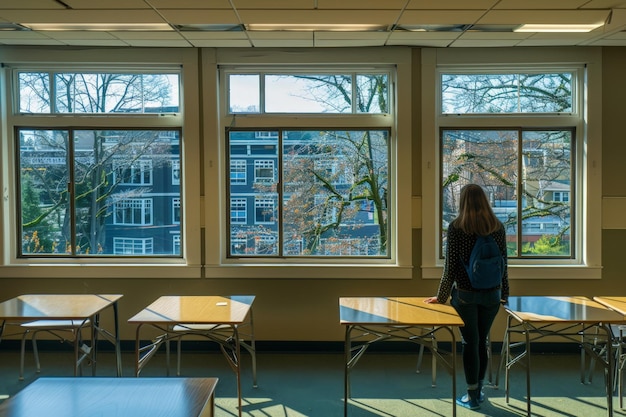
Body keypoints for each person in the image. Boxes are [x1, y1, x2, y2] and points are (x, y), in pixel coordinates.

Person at [425, 184, 509, 410]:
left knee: (470, 342)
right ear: (484, 200)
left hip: (465, 296)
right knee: (482, 341)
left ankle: (471, 395)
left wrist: (441, 297)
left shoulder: (456, 228)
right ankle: (479, 390)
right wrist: (505, 294)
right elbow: (504, 265)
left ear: (462, 202)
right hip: (492, 295)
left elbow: (450, 267)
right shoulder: (497, 227)